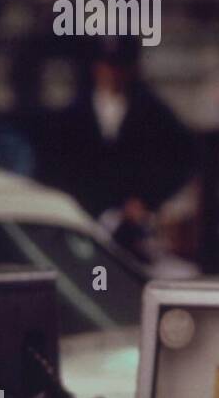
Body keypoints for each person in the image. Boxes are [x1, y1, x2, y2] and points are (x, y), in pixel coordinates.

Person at [40, 35, 199, 266]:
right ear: (95, 67)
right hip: (84, 220)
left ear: (132, 68)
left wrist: (147, 200)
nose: (112, 73)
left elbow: (184, 157)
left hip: (135, 228)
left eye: (119, 66)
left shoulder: (152, 112)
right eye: (106, 65)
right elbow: (55, 167)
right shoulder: (72, 115)